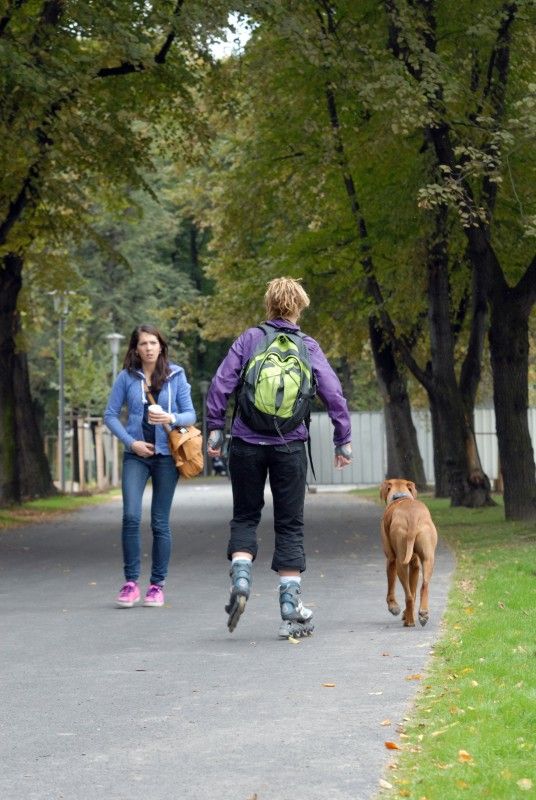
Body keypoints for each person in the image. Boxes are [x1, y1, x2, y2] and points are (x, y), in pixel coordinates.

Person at [206, 277, 352, 638]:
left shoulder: (250, 339)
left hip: (245, 442)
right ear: (298, 307)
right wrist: (342, 438)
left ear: (268, 304)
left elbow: (220, 383)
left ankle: (241, 576)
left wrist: (213, 428)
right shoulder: (307, 345)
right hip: (290, 446)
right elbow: (333, 391)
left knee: (245, 514)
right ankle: (290, 604)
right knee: (289, 524)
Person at [104, 324, 196, 609]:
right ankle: (131, 583)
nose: (148, 348)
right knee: (131, 516)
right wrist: (131, 443)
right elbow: (110, 415)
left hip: (167, 457)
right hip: (136, 456)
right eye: (143, 343)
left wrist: (170, 417)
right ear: (135, 348)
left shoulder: (176, 375)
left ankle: (157, 585)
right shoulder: (126, 378)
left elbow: (190, 413)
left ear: (161, 346)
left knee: (159, 522)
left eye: (153, 342)